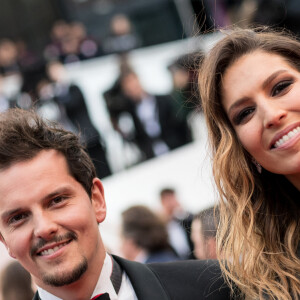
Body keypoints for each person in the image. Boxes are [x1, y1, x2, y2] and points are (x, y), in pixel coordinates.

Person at [0, 108, 231, 300]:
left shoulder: (214, 287)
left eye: (57, 201)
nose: (43, 228)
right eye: (18, 217)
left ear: (97, 200)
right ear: (4, 240)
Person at [198, 27, 300, 299]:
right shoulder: (273, 282)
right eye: (245, 113)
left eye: (281, 87)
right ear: (243, 151)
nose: (271, 115)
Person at [159, 188, 194, 259]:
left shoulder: (185, 219)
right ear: (162, 201)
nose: (172, 203)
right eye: (168, 200)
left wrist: (182, 212)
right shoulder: (160, 225)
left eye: (173, 199)